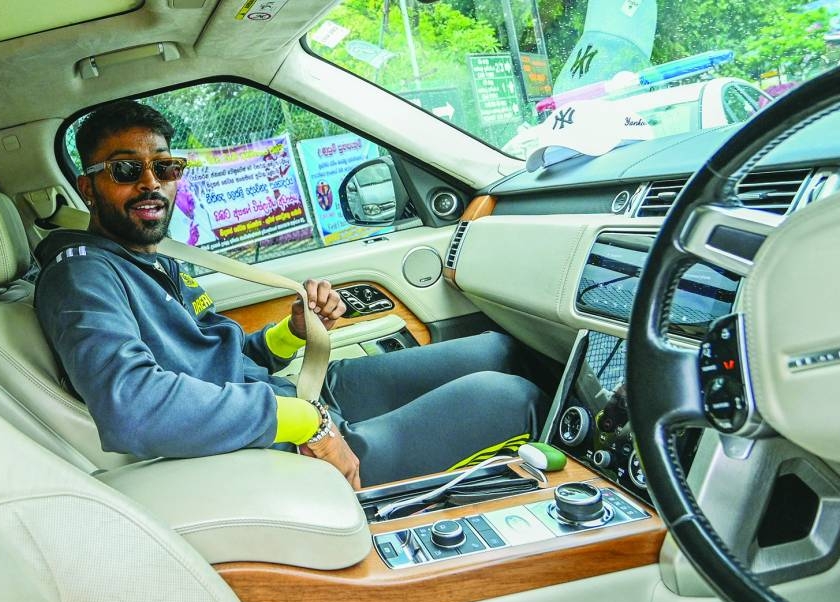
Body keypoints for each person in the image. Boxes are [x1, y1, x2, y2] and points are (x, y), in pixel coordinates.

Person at [34, 100, 549, 489]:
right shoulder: (81, 277)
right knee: (513, 398)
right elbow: (133, 406)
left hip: (290, 404)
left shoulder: (151, 255)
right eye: (126, 170)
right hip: (267, 449)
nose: (151, 182)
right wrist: (307, 423)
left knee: (498, 350)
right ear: (87, 187)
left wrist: (289, 334)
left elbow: (216, 357)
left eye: (165, 167)